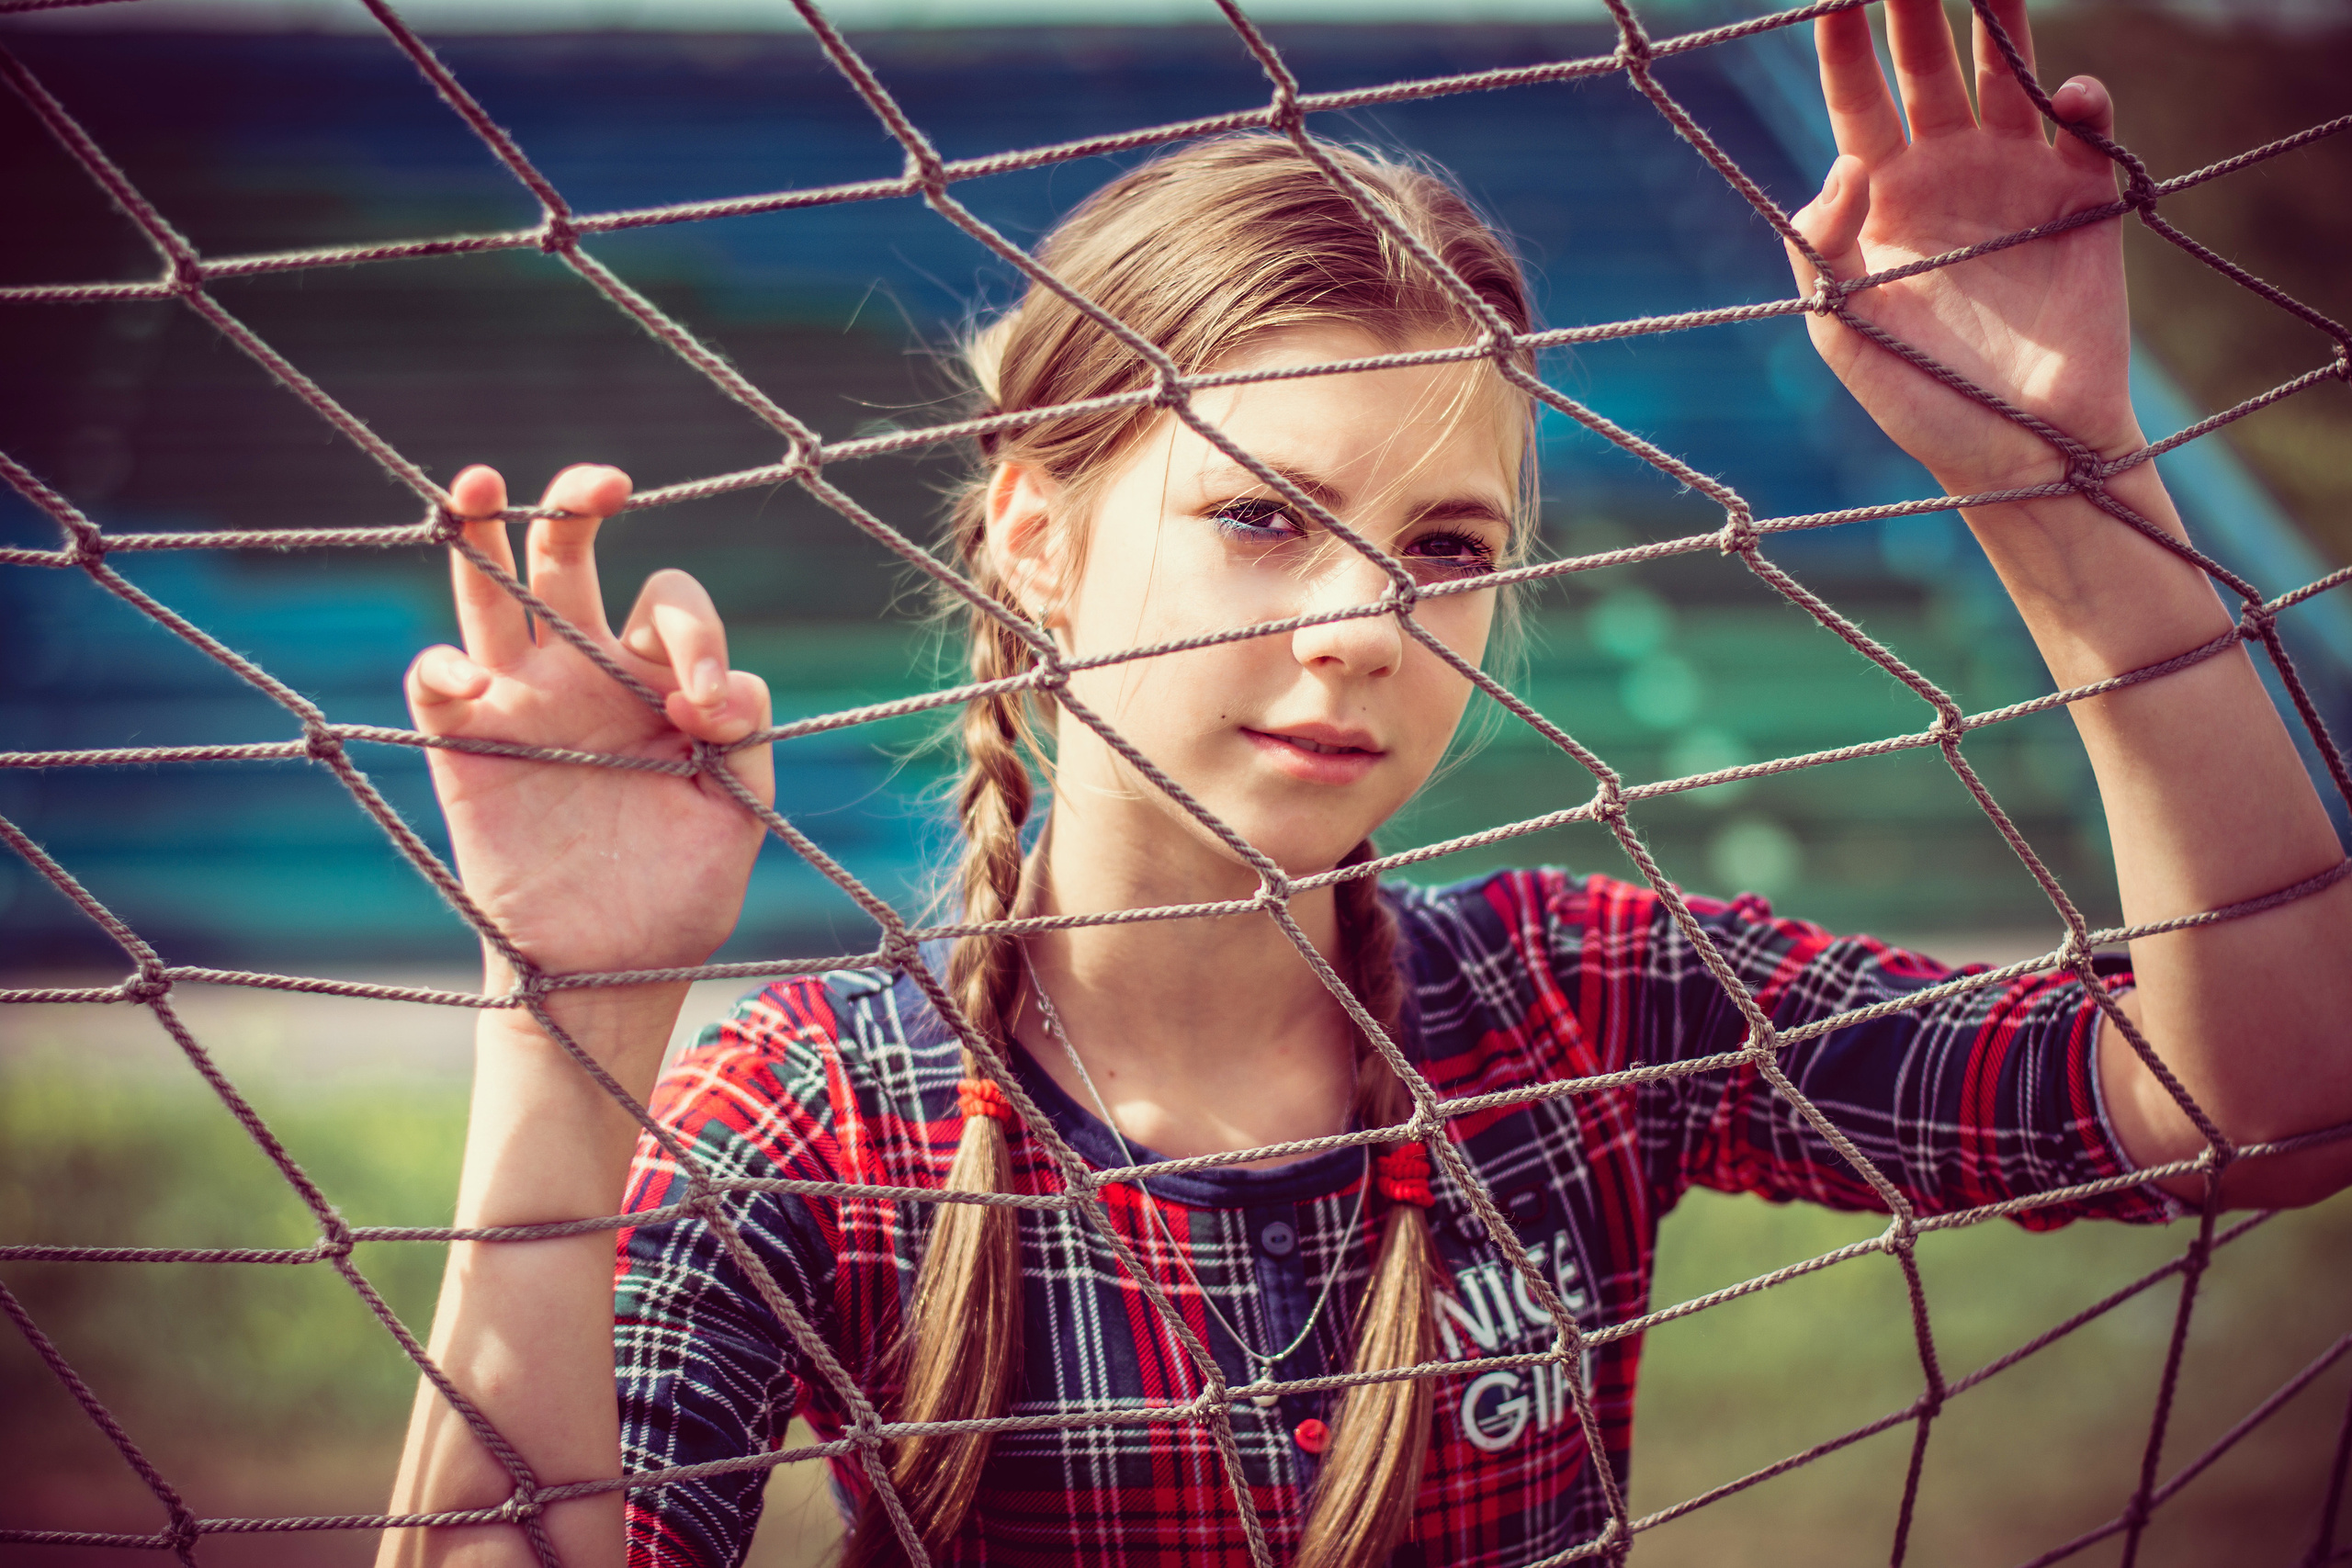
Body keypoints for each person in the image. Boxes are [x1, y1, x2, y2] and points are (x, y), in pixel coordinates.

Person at [379, 4, 2352, 1564]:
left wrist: (2054, 475)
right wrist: (571, 1010)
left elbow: (2257, 1107)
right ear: (1037, 539)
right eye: (1261, 516)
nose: (1363, 626)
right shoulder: (818, 1118)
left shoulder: (1580, 1002)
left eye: (1443, 546)